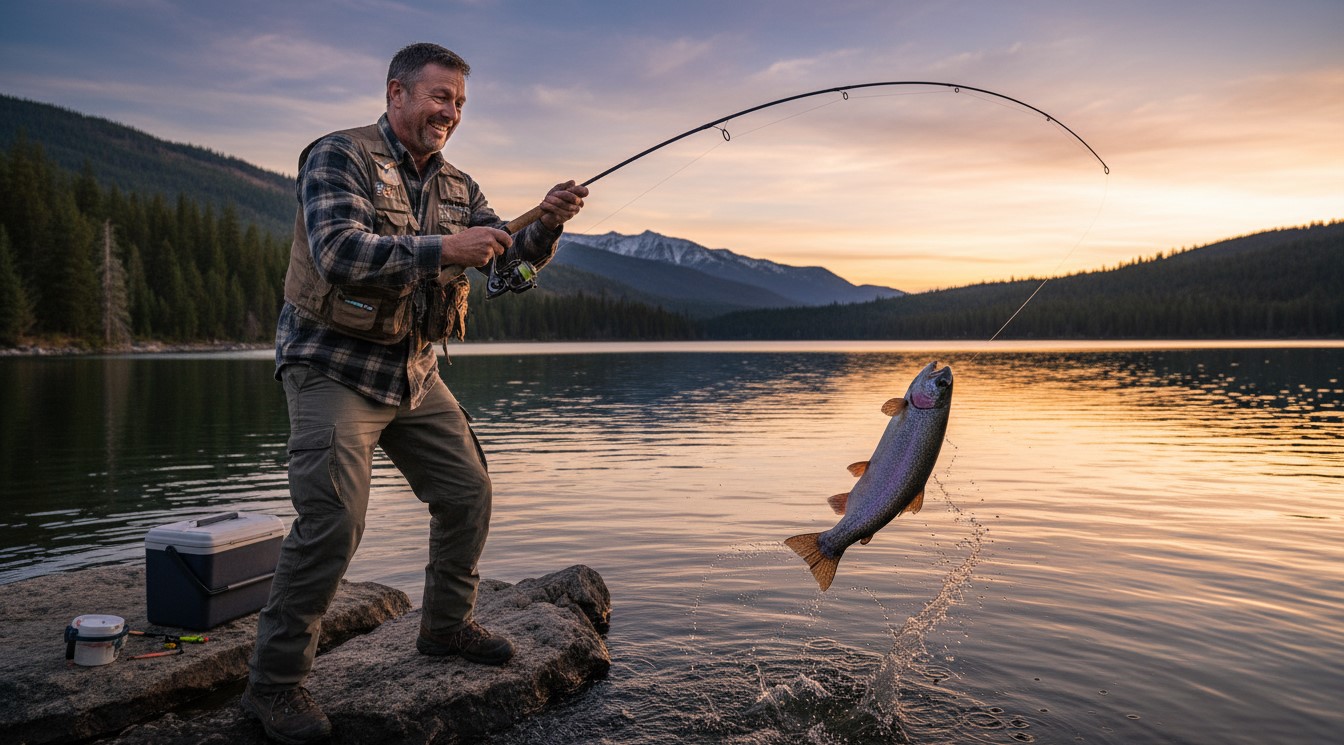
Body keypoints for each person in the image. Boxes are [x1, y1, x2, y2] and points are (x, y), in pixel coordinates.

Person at [241, 42, 588, 744]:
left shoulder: (459, 186)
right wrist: (444, 251)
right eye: (439, 98)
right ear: (396, 92)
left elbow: (506, 275)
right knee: (334, 519)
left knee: (468, 492)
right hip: (332, 366)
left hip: (414, 371)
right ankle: (273, 686)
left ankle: (446, 625)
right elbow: (338, 252)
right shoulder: (338, 156)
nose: (451, 113)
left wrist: (544, 227)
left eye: (459, 103)